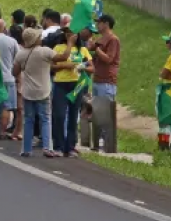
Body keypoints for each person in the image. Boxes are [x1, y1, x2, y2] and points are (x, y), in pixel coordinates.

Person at [14, 28, 71, 158]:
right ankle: (47, 147)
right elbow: (64, 57)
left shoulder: (21, 54)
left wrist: (23, 68)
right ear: (36, 39)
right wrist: (70, 43)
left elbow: (14, 72)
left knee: (28, 120)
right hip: (43, 91)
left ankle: (26, 149)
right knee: (45, 119)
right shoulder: (45, 51)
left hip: (27, 92)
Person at [51, 27, 93, 156]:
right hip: (60, 84)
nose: (70, 36)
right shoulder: (58, 48)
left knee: (73, 116)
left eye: (72, 34)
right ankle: (58, 145)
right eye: (68, 34)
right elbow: (52, 66)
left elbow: (92, 67)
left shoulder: (83, 50)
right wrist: (64, 65)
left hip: (77, 84)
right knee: (59, 115)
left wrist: (83, 67)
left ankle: (70, 146)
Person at [0, 19, 20, 140]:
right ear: (4, 27)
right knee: (6, 107)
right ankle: (2, 132)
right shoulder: (12, 41)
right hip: (9, 77)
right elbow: (17, 59)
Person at [88, 14, 121, 104]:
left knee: (105, 113)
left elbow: (109, 59)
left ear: (106, 24)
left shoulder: (113, 39)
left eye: (99, 23)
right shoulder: (100, 39)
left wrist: (96, 49)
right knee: (97, 113)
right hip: (96, 80)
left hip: (107, 82)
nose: (96, 25)